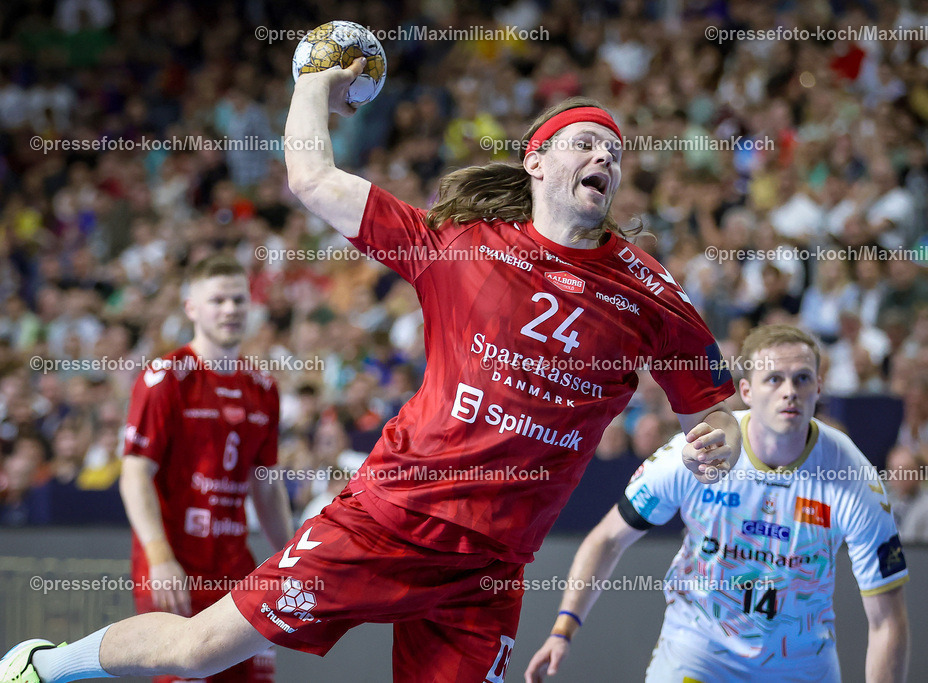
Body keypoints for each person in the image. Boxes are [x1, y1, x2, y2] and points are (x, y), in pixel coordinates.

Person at [1, 58, 741, 683]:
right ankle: (44, 663)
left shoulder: (648, 292)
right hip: (389, 518)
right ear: (537, 161)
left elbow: (710, 408)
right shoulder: (459, 246)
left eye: (615, 154)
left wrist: (721, 438)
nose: (605, 160)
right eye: (586, 144)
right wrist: (310, 84)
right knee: (200, 651)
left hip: (489, 569)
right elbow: (311, 176)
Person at [525, 324, 910, 683]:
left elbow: (887, 620)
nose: (789, 390)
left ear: (819, 388)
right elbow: (607, 538)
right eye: (774, 379)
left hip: (801, 666)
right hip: (699, 652)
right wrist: (564, 629)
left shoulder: (851, 475)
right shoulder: (700, 451)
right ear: (746, 391)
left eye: (802, 379)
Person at [118, 253, 294, 683]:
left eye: (238, 300)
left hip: (236, 566)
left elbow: (265, 485)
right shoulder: (166, 378)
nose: (230, 309)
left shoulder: (264, 388)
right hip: (175, 565)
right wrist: (159, 557)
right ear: (191, 308)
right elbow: (134, 473)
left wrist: (291, 559)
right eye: (217, 300)